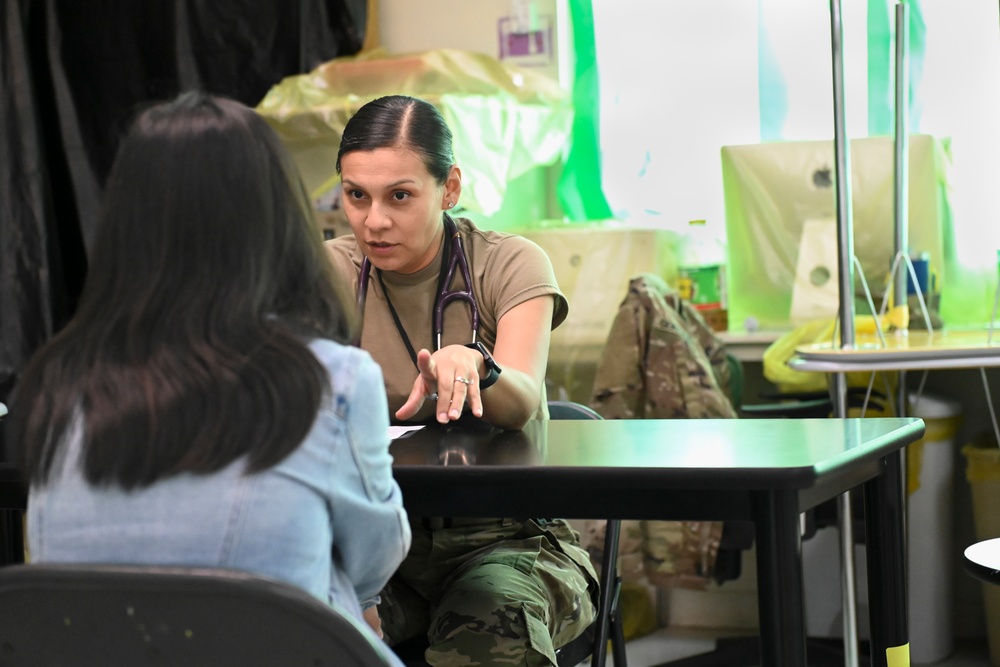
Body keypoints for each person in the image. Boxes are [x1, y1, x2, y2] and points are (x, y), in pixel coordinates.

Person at [7, 92, 410, 654]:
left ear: (125, 221)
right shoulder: (336, 381)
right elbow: (374, 564)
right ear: (278, 217)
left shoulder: (57, 382)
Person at [325, 94, 598, 667]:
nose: (374, 220)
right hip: (378, 542)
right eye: (357, 196)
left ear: (449, 188)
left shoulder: (509, 264)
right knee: (298, 634)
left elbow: (521, 400)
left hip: (507, 540)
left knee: (486, 637)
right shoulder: (327, 273)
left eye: (400, 195)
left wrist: (479, 362)